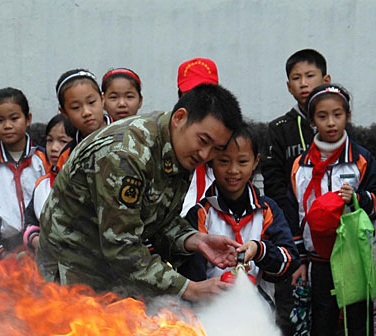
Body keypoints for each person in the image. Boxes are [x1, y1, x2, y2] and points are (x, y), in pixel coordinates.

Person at [37, 83, 244, 301]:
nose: (205, 154)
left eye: (216, 149)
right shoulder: (125, 154)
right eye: (203, 141)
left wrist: (196, 239)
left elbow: (157, 219)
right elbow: (122, 246)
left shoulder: (179, 146)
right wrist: (189, 289)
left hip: (109, 272)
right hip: (70, 273)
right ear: (180, 118)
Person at [285, 83, 376, 336]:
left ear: (348, 116)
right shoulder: (300, 165)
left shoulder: (361, 159)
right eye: (323, 116)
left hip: (353, 258)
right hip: (317, 260)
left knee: (360, 326)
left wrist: (357, 199)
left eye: (337, 115)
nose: (331, 123)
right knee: (319, 326)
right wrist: (299, 259)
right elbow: (294, 213)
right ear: (312, 121)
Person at [261, 48, 350, 336]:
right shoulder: (279, 130)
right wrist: (291, 234)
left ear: (325, 79)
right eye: (296, 78)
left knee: (334, 312)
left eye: (310, 76)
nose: (303, 83)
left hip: (333, 241)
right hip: (291, 236)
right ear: (288, 86)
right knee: (292, 311)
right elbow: (275, 184)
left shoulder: (338, 124)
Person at [182, 123, 299, 297]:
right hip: (209, 307)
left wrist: (259, 250)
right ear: (210, 161)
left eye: (242, 161)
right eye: (224, 161)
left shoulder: (267, 210)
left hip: (257, 307)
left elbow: (289, 261)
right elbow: (192, 272)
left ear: (256, 162)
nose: (233, 170)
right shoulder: (200, 213)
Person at [0, 87, 48, 250]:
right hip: (5, 247)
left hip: (43, 243)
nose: (7, 126)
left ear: (28, 119)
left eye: (14, 118)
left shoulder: (45, 160)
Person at [23, 114, 74, 252]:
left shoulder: (83, 184)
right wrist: (35, 240)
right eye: (49, 140)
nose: (54, 148)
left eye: (63, 141)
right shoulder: (41, 185)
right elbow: (30, 222)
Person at [176, 57, 220, 217]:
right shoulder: (171, 136)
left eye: (205, 94)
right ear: (180, 96)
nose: (198, 102)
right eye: (191, 94)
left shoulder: (228, 136)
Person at [54, 68, 111, 171]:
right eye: (76, 107)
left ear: (102, 99)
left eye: (91, 102)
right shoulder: (68, 156)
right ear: (64, 112)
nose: (86, 112)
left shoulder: (128, 135)